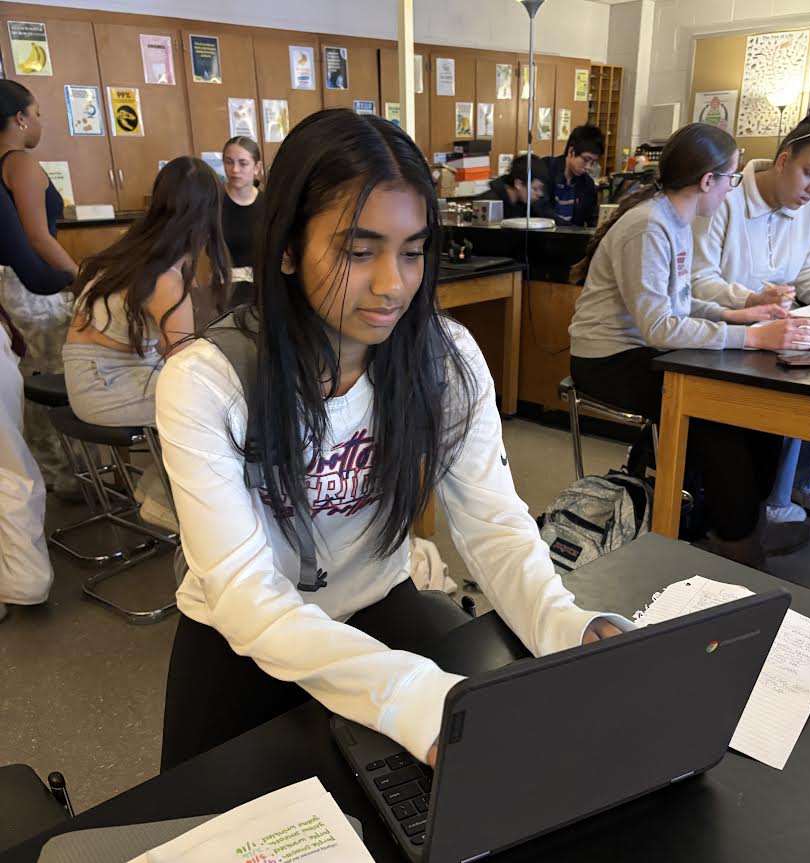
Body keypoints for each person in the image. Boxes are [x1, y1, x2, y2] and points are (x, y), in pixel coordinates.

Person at [156, 109, 630, 771]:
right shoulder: (206, 383)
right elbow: (245, 595)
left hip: (377, 603)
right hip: (236, 641)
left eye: (412, 252)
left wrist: (562, 623)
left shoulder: (445, 360)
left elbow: (491, 521)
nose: (393, 284)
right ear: (288, 246)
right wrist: (411, 694)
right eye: (358, 250)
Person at [569, 123, 810, 570]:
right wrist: (751, 336)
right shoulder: (649, 227)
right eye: (731, 179)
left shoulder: (677, 220)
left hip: (643, 350)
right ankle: (736, 545)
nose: (730, 191)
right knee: (716, 421)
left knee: (751, 416)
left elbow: (681, 303)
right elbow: (660, 327)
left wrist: (738, 314)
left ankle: (739, 529)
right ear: (709, 181)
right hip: (606, 359)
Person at [63, 157, 230, 531]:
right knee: (211, 405)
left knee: (207, 396)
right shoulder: (165, 277)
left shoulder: (131, 250)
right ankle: (170, 501)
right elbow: (185, 366)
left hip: (95, 376)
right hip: (104, 385)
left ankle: (165, 493)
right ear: (208, 214)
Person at [693, 105, 810, 523]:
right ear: (784, 161)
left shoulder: (808, 211)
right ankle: (755, 507)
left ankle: (785, 491)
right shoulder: (724, 197)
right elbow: (696, 281)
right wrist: (751, 299)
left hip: (773, 338)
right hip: (718, 339)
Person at [0, 80, 80, 500]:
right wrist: (79, 275)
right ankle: (65, 475)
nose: (39, 121)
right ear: (20, 118)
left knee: (27, 380)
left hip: (9, 287)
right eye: (37, 113)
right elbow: (38, 237)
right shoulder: (21, 163)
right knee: (51, 378)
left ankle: (48, 472)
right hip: (33, 287)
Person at [0, 184, 74, 623]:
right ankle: (23, 581)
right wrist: (83, 276)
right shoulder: (19, 166)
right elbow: (33, 259)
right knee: (9, 464)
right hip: (28, 299)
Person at [222, 136, 264, 308]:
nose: (235, 169)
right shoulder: (213, 203)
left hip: (262, 290)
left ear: (257, 167)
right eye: (229, 162)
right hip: (225, 291)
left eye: (243, 163)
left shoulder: (268, 204)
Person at [538, 124, 603, 227]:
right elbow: (541, 210)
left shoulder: (587, 184)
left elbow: (592, 219)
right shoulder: (545, 169)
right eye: (586, 160)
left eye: (593, 162)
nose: (588, 167)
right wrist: (571, 229)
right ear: (571, 151)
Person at [484, 154, 549, 219]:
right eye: (535, 189)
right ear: (518, 184)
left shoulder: (526, 204)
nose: (540, 194)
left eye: (541, 189)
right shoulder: (488, 203)